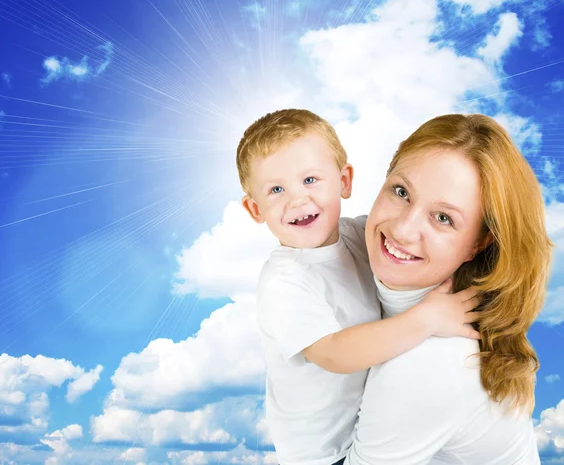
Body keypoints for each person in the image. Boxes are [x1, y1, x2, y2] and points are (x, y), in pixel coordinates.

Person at [236, 109, 481, 465]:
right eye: (276, 189)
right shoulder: (284, 283)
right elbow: (335, 355)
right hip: (322, 455)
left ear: (344, 181)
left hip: (368, 424)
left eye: (310, 180)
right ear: (255, 209)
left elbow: (416, 251)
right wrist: (427, 320)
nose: (297, 200)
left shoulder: (358, 235)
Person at [345, 113, 552, 465]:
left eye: (443, 218)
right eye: (401, 192)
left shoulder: (429, 366)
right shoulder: (349, 252)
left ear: (479, 243)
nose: (403, 230)